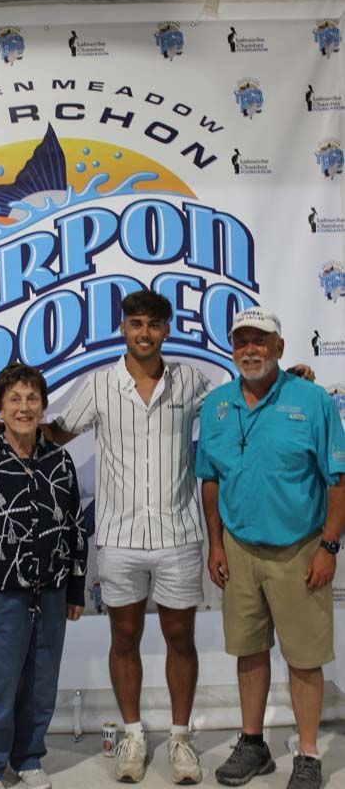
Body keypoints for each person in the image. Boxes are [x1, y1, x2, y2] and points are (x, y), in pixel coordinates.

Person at [0, 290, 314, 787]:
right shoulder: (100, 385)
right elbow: (57, 432)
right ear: (123, 328)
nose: (144, 333)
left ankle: (180, 737)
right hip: (118, 537)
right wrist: (2, 425)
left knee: (181, 638)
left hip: (178, 534)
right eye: (136, 324)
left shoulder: (192, 381)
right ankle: (132, 733)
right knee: (124, 637)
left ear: (165, 330)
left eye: (153, 325)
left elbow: (239, 402)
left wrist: (291, 381)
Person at [195, 307, 345, 789]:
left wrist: (328, 547)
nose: (251, 349)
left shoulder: (313, 400)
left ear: (280, 348)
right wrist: (215, 544)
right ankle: (253, 743)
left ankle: (307, 754)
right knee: (249, 651)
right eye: (242, 341)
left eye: (261, 341)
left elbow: (337, 480)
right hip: (237, 548)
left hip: (300, 548)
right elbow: (210, 481)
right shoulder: (215, 405)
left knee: (303, 657)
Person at [0, 364, 87, 789]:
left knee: (42, 683)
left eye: (32, 399)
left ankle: (28, 758)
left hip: (51, 591)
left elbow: (74, 526)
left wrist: (76, 587)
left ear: (44, 406)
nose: (25, 407)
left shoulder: (60, 460)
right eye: (15, 399)